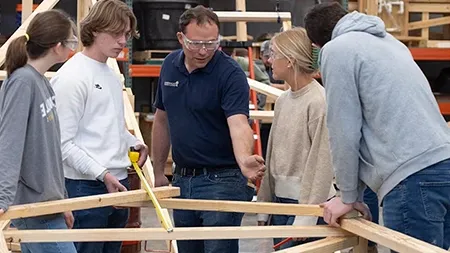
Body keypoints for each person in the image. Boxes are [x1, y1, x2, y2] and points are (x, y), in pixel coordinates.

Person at [304, 2, 450, 251]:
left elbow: (344, 130)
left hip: (412, 177)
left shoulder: (337, 50)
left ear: (317, 44)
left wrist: (347, 196)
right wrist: (354, 195)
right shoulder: (390, 43)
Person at [151, 5, 266, 253]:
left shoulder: (230, 73)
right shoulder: (170, 65)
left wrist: (245, 159)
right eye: (196, 43)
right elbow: (162, 119)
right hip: (182, 179)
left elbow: (238, 123)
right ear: (181, 38)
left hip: (222, 181)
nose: (204, 51)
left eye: (212, 44)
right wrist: (159, 170)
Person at [50, 0, 148, 252]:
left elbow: (111, 128)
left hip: (116, 182)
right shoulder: (73, 77)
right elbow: (61, 144)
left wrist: (134, 143)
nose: (123, 41)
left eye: (126, 34)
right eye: (116, 33)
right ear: (95, 30)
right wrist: (102, 174)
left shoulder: (110, 74)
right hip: (85, 187)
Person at [0, 10, 78, 253]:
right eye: (71, 42)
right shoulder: (23, 83)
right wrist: (3, 198)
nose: (73, 48)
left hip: (48, 204)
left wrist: (62, 199)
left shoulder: (43, 83)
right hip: (33, 206)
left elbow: (51, 149)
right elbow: (10, 143)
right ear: (57, 46)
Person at [256, 27, 336, 250]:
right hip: (282, 205)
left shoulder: (318, 102)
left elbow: (322, 163)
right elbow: (271, 155)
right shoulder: (283, 100)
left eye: (273, 54)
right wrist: (264, 206)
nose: (269, 60)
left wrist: (306, 216)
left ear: (290, 61)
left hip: (308, 207)